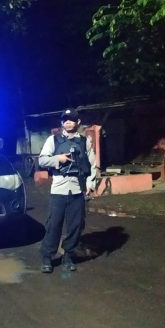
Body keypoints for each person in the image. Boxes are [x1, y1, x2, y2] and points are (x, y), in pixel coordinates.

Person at [38, 108, 96, 273]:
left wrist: (90, 184)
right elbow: (42, 160)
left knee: (76, 226)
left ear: (78, 122)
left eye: (72, 120)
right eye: (65, 120)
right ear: (62, 123)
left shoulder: (84, 141)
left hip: (77, 189)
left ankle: (68, 255)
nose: (68, 122)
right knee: (54, 224)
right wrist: (59, 158)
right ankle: (47, 257)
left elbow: (92, 164)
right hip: (59, 188)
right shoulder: (53, 139)